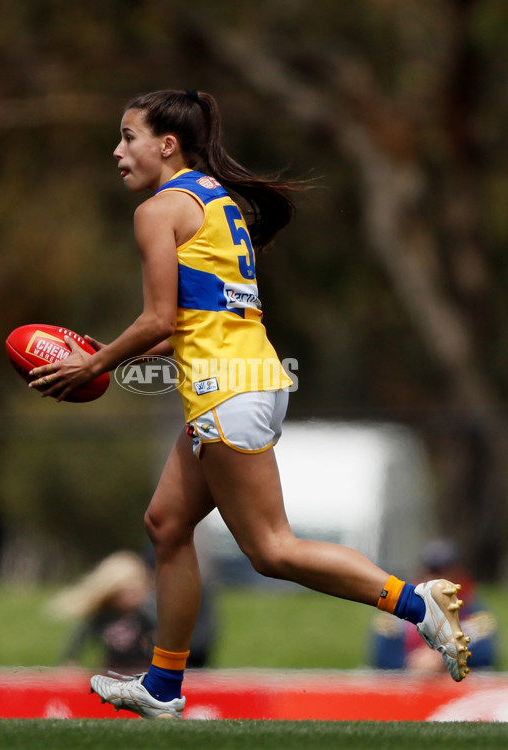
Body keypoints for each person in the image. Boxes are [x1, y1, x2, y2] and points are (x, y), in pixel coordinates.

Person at [28, 89, 471, 719]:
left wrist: (96, 362)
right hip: (245, 377)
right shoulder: (213, 198)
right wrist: (131, 352)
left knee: (272, 549)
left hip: (226, 389)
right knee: (166, 523)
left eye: (129, 136)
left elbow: (158, 317)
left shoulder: (159, 210)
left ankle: (414, 604)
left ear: (167, 144)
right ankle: (162, 685)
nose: (118, 151)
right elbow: (201, 312)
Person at [369, 539, 499, 673]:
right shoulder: (395, 614)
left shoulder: (474, 614)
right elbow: (382, 660)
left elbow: (485, 659)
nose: (436, 580)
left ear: (458, 575)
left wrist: (441, 659)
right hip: (409, 684)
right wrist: (417, 664)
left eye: (444, 572)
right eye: (431, 571)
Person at [47, 551, 156, 672]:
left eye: (134, 591)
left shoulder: (150, 612)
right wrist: (71, 663)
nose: (130, 597)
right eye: (123, 593)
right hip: (113, 673)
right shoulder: (101, 615)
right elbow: (78, 642)